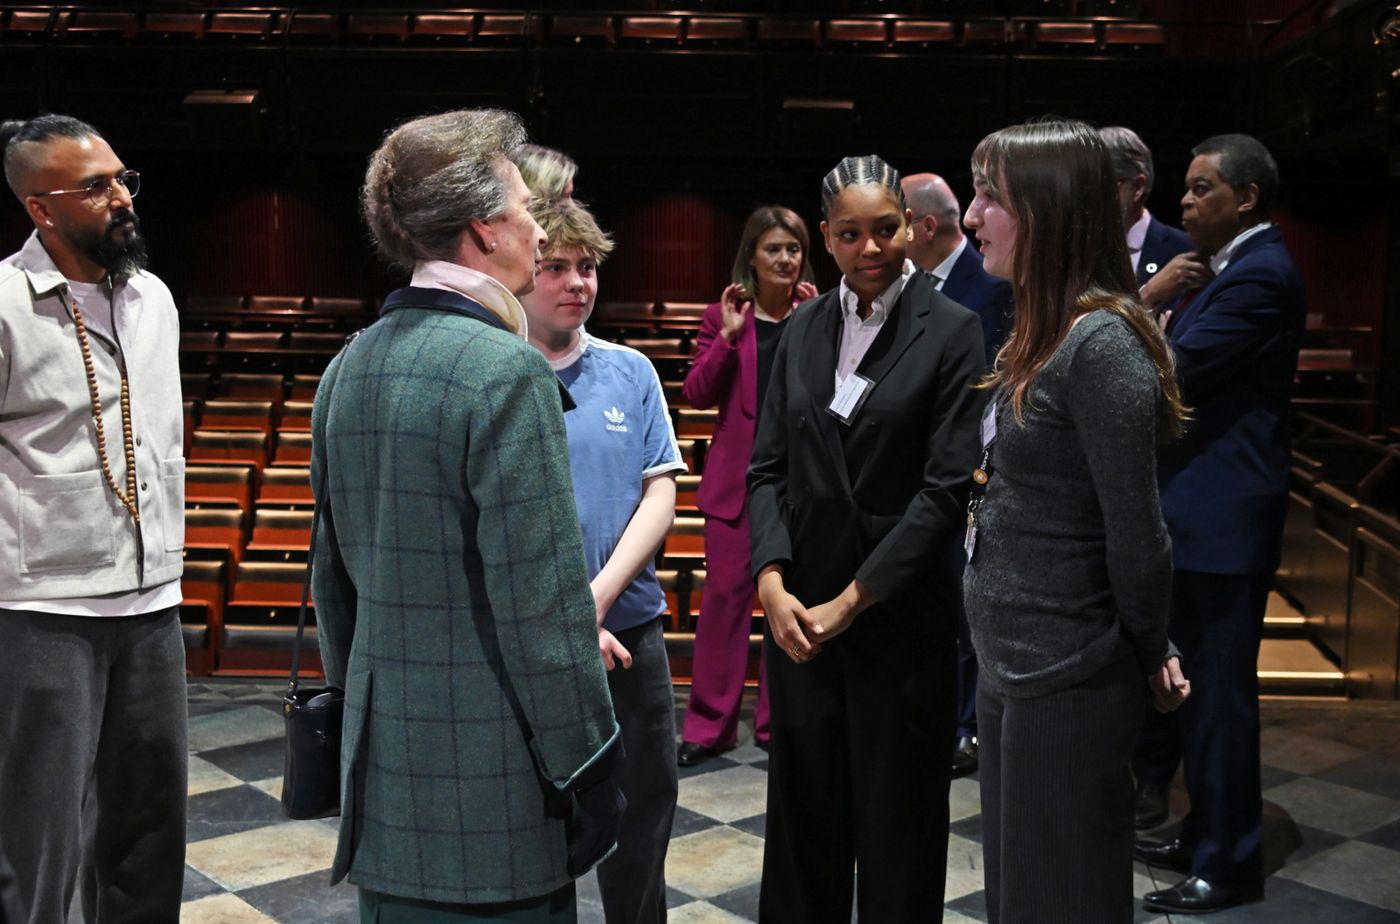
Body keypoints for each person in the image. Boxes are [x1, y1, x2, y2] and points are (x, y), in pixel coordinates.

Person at [312, 109, 622, 923]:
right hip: (495, 789)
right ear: (485, 230)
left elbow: (332, 588)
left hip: (383, 782)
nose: (533, 226)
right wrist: (591, 762)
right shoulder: (506, 370)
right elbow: (543, 610)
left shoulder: (345, 368)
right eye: (525, 211)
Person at [961, 117, 1192, 924]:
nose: (970, 215)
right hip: (1016, 665)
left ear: (1050, 211)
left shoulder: (1104, 348)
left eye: (991, 195)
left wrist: (1148, 643)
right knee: (1020, 900)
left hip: (1068, 672)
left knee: (1062, 902)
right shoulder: (1044, 330)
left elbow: (1139, 536)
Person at [748, 155, 985, 923]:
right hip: (801, 619)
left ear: (913, 226)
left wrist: (853, 601)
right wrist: (772, 582)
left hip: (899, 617)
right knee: (803, 829)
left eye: (886, 229)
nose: (871, 249)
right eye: (849, 235)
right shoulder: (804, 326)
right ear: (826, 238)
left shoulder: (953, 328)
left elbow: (947, 489)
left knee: (899, 836)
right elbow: (767, 469)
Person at [0, 114, 186, 924]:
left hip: (153, 602)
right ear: (42, 209)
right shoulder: (6, 303)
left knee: (151, 830)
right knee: (33, 837)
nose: (121, 198)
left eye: (122, 179)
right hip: (43, 605)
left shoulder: (153, 298)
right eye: (97, 187)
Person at [1132, 134, 1306, 915]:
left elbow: (1171, 370)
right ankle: (1203, 827)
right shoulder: (1225, 270)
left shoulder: (1261, 274)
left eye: (1203, 189)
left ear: (1247, 199)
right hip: (1198, 515)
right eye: (1187, 186)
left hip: (1222, 521)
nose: (1186, 201)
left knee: (1222, 702)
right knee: (1195, 697)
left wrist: (1152, 317)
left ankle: (1230, 861)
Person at [518, 197, 685, 924]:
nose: (576, 283)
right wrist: (564, 614)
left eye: (586, 268)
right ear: (522, 274)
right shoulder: (500, 373)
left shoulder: (631, 371)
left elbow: (661, 496)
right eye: (555, 267)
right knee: (532, 818)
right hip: (530, 639)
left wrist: (595, 598)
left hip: (632, 634)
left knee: (645, 808)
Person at [677, 205, 817, 768]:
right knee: (726, 603)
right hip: (737, 484)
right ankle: (709, 725)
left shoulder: (819, 315)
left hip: (803, 481)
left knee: (792, 605)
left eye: (794, 248)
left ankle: (777, 721)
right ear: (751, 258)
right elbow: (696, 392)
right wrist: (730, 338)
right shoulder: (723, 315)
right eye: (774, 249)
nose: (785, 258)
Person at [901, 171, 1016, 777]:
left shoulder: (991, 282)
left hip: (974, 468)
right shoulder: (908, 285)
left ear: (923, 225)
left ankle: (967, 725)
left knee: (968, 600)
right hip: (918, 471)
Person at [902, 172, 1015, 366]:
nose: (885, 239)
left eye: (894, 226)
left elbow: (985, 382)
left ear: (929, 227)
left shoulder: (997, 289)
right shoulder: (908, 281)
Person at [1099, 126, 1194, 293]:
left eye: (1098, 185)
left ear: (1137, 187)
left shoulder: (1185, 250)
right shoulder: (1073, 249)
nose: (1084, 197)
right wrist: (1148, 295)